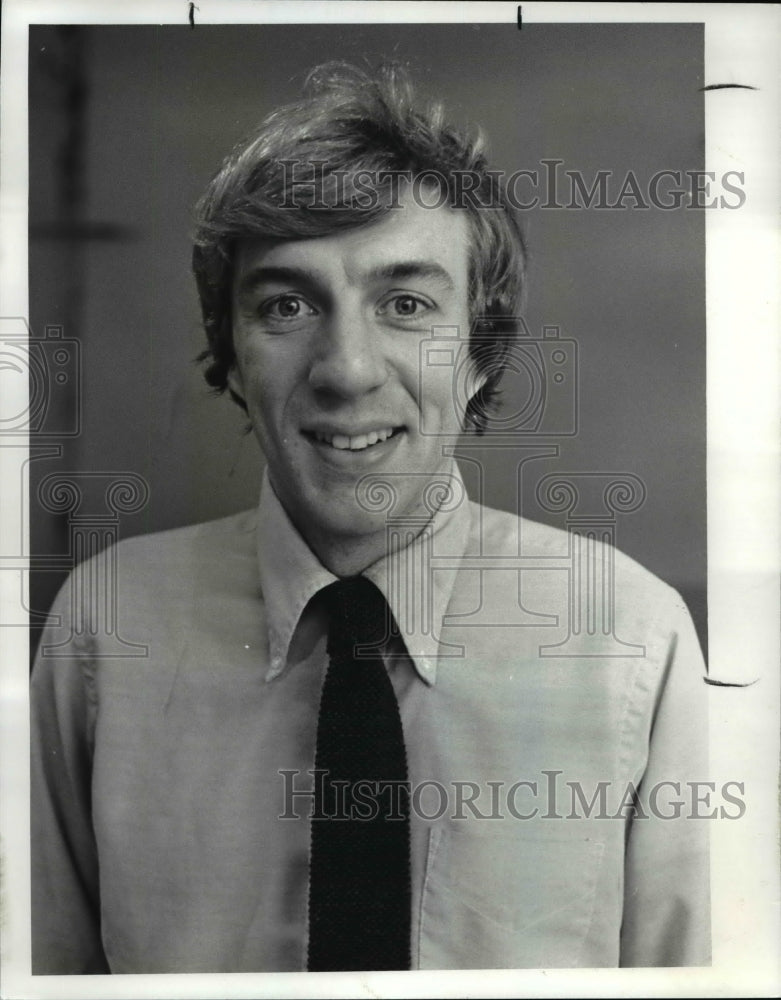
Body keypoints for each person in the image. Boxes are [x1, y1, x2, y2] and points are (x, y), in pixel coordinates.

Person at [30, 62, 709, 974]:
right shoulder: (102, 626)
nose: (346, 368)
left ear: (480, 354)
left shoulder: (632, 635)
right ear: (228, 356)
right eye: (285, 305)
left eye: (405, 305)